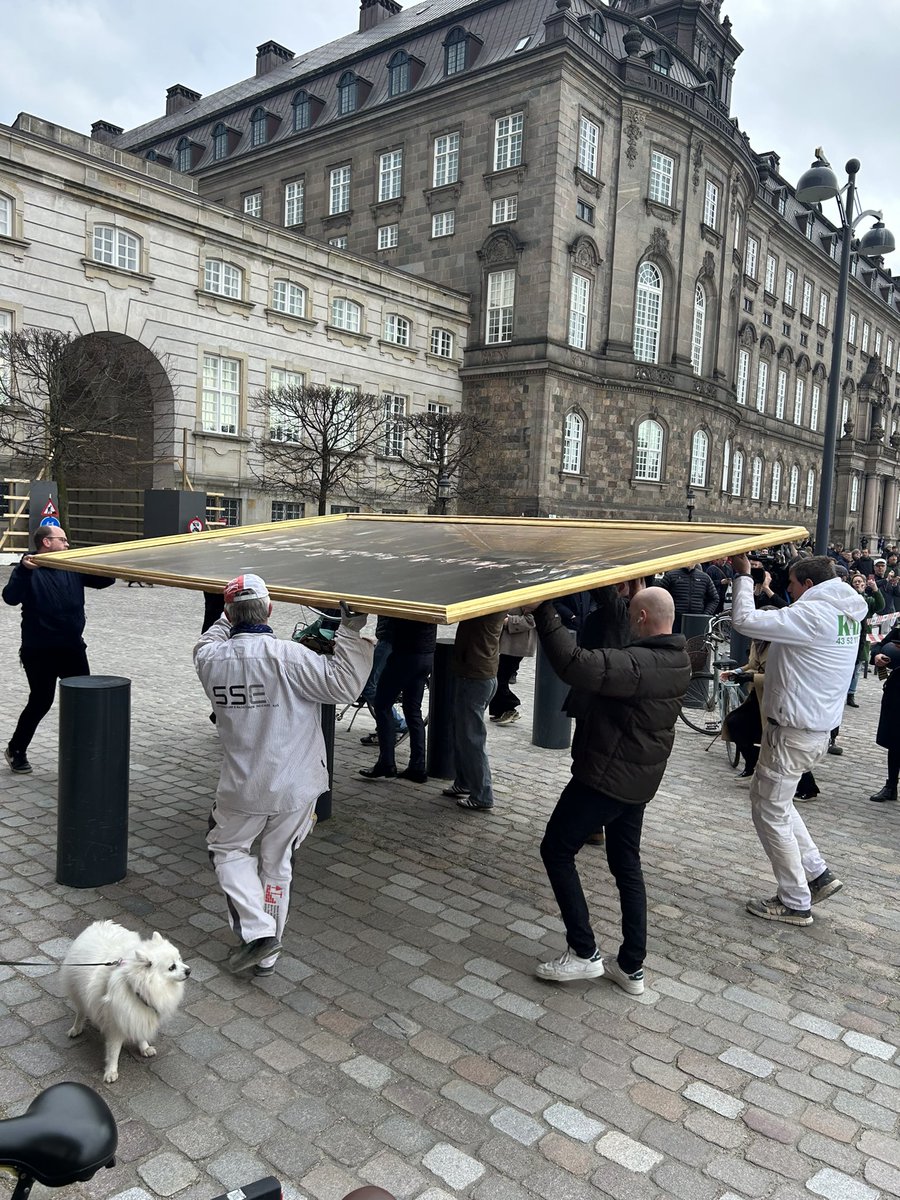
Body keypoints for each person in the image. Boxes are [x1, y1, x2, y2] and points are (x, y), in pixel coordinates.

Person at [194, 573, 373, 976]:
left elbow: (213, 634)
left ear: (227, 613)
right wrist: (350, 629)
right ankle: (267, 948)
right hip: (296, 784)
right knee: (277, 864)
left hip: (242, 787)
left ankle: (259, 934)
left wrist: (234, 611)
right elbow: (344, 684)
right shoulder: (289, 657)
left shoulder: (208, 658)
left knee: (227, 850)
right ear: (271, 610)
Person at [532, 588, 691, 993]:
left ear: (639, 618)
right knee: (627, 867)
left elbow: (575, 663)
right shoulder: (678, 658)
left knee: (556, 848)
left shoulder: (640, 664)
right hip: (638, 780)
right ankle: (632, 966)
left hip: (607, 778)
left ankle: (584, 951)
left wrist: (543, 609)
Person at [731, 554, 867, 925]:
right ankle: (816, 873)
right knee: (774, 802)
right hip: (808, 728)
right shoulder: (843, 611)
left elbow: (744, 621)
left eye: (791, 583)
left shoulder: (814, 614)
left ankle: (794, 899)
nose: (788, 590)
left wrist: (743, 577)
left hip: (794, 730)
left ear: (808, 584)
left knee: (770, 811)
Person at [3, 525, 114, 774]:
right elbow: (10, 597)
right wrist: (23, 570)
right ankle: (16, 749)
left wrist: (106, 562)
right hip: (39, 649)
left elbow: (105, 581)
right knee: (41, 700)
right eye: (62, 540)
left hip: (72, 647)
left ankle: (86, 752)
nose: (67, 544)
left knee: (84, 699)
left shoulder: (70, 565)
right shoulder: (28, 567)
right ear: (46, 542)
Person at [359, 617, 434, 783]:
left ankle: (386, 763)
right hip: (426, 653)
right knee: (414, 711)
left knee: (382, 705)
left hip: (405, 654)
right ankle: (418, 766)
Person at [443, 613, 504, 810]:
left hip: (475, 676)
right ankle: (464, 782)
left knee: (471, 738)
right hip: (478, 674)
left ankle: (482, 795)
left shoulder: (485, 606)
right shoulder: (491, 603)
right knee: (463, 733)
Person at [488, 608, 536, 725]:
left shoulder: (528, 598)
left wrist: (508, 621)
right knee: (498, 676)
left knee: (500, 677)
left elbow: (531, 620)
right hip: (508, 643)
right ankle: (499, 711)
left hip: (517, 645)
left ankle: (510, 707)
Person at [869, 629, 900, 802]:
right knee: (895, 741)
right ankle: (891, 786)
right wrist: (879, 656)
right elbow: (879, 646)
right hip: (896, 691)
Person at [846, 573, 884, 707]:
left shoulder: (868, 600)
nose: (857, 583)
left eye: (860, 581)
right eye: (855, 582)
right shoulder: (847, 598)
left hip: (862, 639)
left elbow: (880, 606)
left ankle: (851, 694)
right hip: (849, 636)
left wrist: (874, 589)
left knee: (856, 669)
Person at [659, 564, 718, 633]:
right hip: (675, 620)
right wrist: (667, 612)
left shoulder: (705, 578)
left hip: (696, 620)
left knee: (694, 642)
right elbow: (659, 595)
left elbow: (714, 598)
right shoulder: (671, 576)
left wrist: (705, 614)